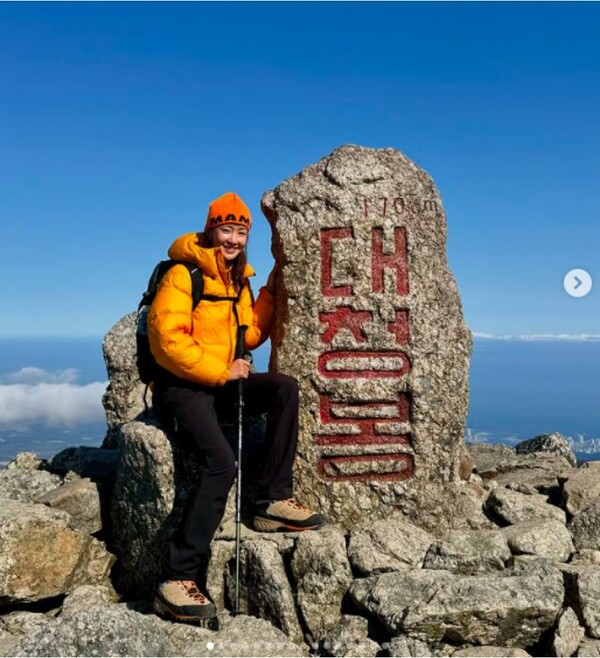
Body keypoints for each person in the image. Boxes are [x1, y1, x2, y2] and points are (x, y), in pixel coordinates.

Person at [147, 191, 324, 623]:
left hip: (218, 381)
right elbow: (166, 340)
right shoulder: (182, 274)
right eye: (226, 230)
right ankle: (176, 578)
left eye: (240, 232)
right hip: (181, 388)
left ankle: (271, 502)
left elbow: (249, 334)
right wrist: (219, 372)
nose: (233, 239)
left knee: (283, 389)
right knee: (221, 464)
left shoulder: (235, 279)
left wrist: (270, 289)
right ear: (211, 230)